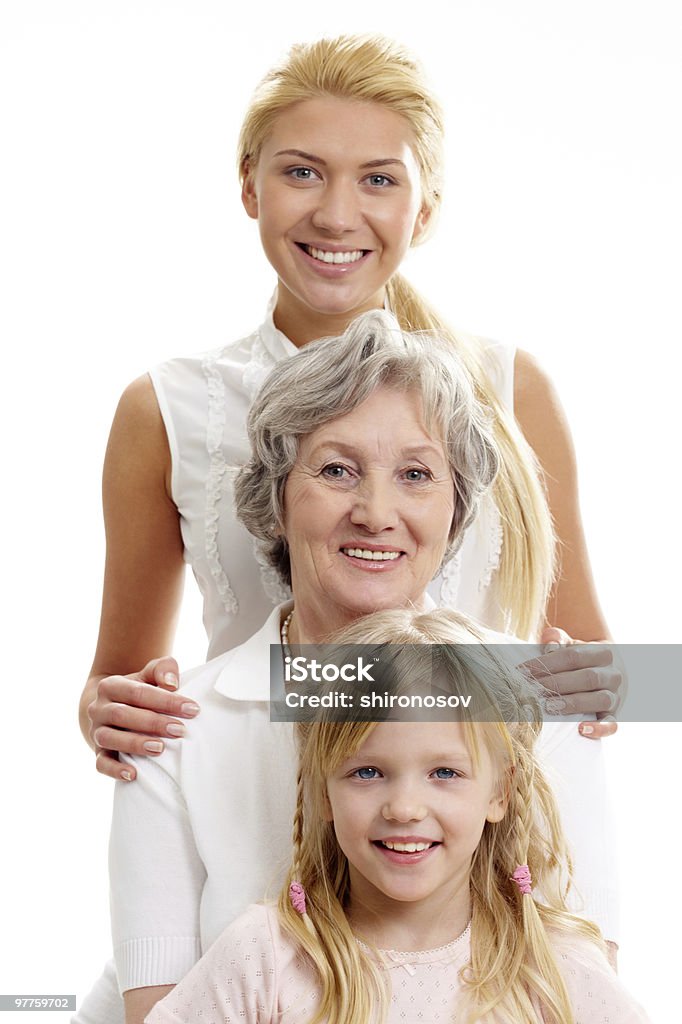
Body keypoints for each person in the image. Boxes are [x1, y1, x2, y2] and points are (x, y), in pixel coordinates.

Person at [80, 34, 619, 786]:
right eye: (302, 172)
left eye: (378, 180)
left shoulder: (509, 389)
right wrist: (111, 714)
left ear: (424, 208)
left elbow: (609, 681)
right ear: (249, 187)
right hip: (250, 805)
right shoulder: (165, 409)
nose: (337, 216)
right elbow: (119, 689)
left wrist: (266, 697)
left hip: (459, 837)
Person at [103, 315, 617, 1024]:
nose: (377, 513)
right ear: (278, 497)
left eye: (416, 475)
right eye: (337, 470)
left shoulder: (541, 697)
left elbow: (581, 987)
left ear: (455, 507)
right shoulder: (172, 727)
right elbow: (159, 1006)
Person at [142, 609, 648, 1024]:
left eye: (445, 772)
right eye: (367, 772)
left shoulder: (556, 966)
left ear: (501, 792)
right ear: (321, 792)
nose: (404, 808)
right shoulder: (263, 956)